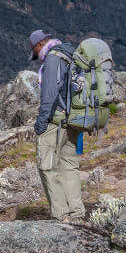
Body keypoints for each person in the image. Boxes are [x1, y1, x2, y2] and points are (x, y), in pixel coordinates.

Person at [30, 29, 84, 221]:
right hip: (73, 119)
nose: (37, 57)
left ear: (39, 45)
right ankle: (77, 213)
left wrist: (41, 122)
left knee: (47, 166)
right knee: (69, 165)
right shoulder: (69, 54)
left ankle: (62, 215)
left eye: (35, 53)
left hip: (56, 120)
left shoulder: (52, 60)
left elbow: (50, 95)